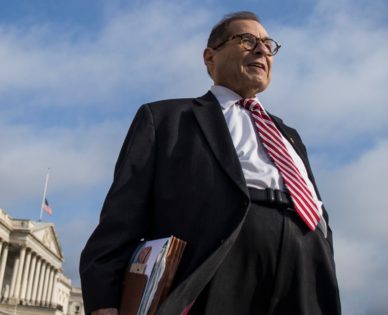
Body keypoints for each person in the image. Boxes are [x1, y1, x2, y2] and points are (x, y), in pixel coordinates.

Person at [80, 11, 341, 315]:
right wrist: (104, 299)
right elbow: (122, 213)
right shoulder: (166, 119)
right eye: (247, 40)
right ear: (210, 56)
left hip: (306, 268)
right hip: (219, 264)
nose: (261, 50)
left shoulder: (290, 135)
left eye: (268, 45)